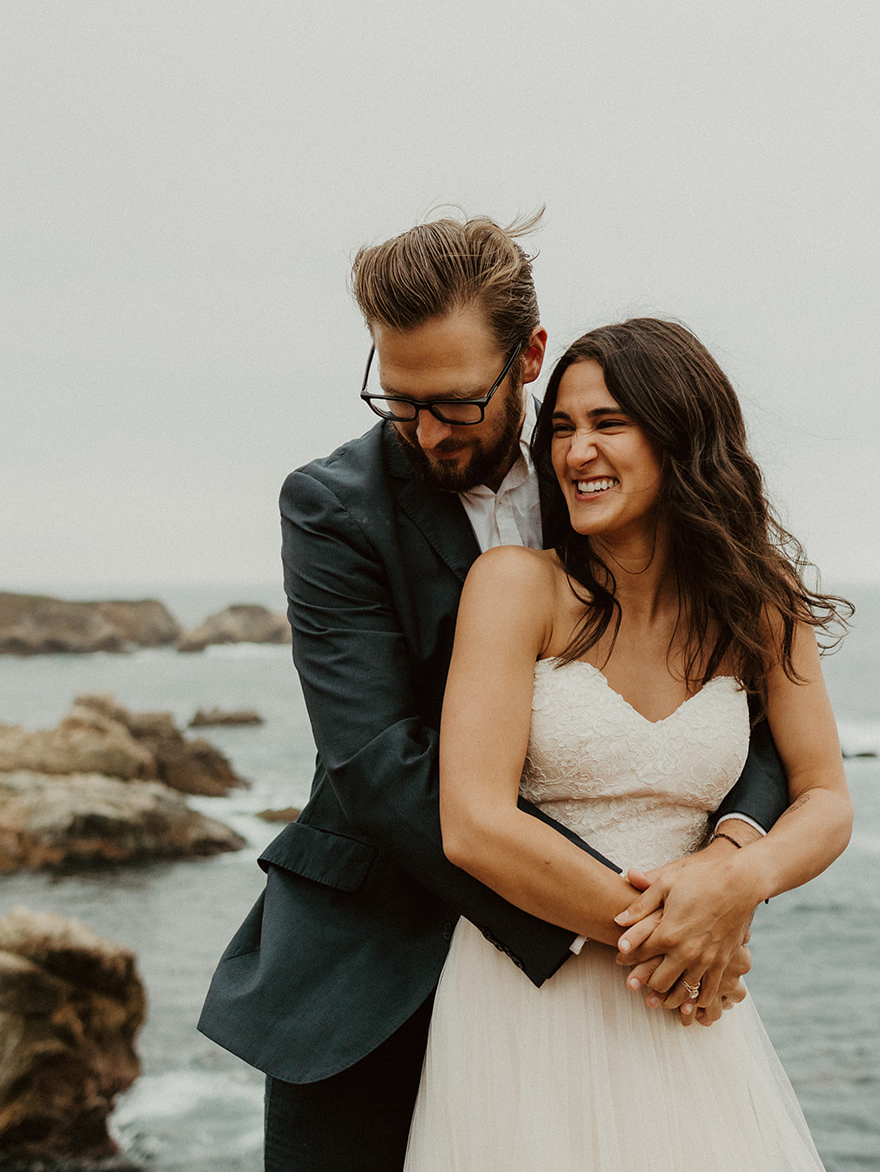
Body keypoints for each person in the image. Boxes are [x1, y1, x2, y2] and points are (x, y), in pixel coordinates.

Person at [198, 216, 790, 1172]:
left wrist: (730, 866)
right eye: (399, 401)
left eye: (456, 404)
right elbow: (376, 762)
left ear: (529, 359)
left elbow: (737, 705)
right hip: (372, 967)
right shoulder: (331, 505)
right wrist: (643, 930)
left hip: (607, 988)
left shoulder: (599, 472)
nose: (426, 432)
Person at [404, 317, 853, 1171]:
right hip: (532, 993)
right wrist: (672, 935)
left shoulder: (762, 604)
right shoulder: (513, 587)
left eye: (608, 424)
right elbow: (473, 824)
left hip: (686, 1000)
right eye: (562, 429)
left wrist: (736, 881)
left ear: (681, 434)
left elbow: (824, 796)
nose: (576, 453)